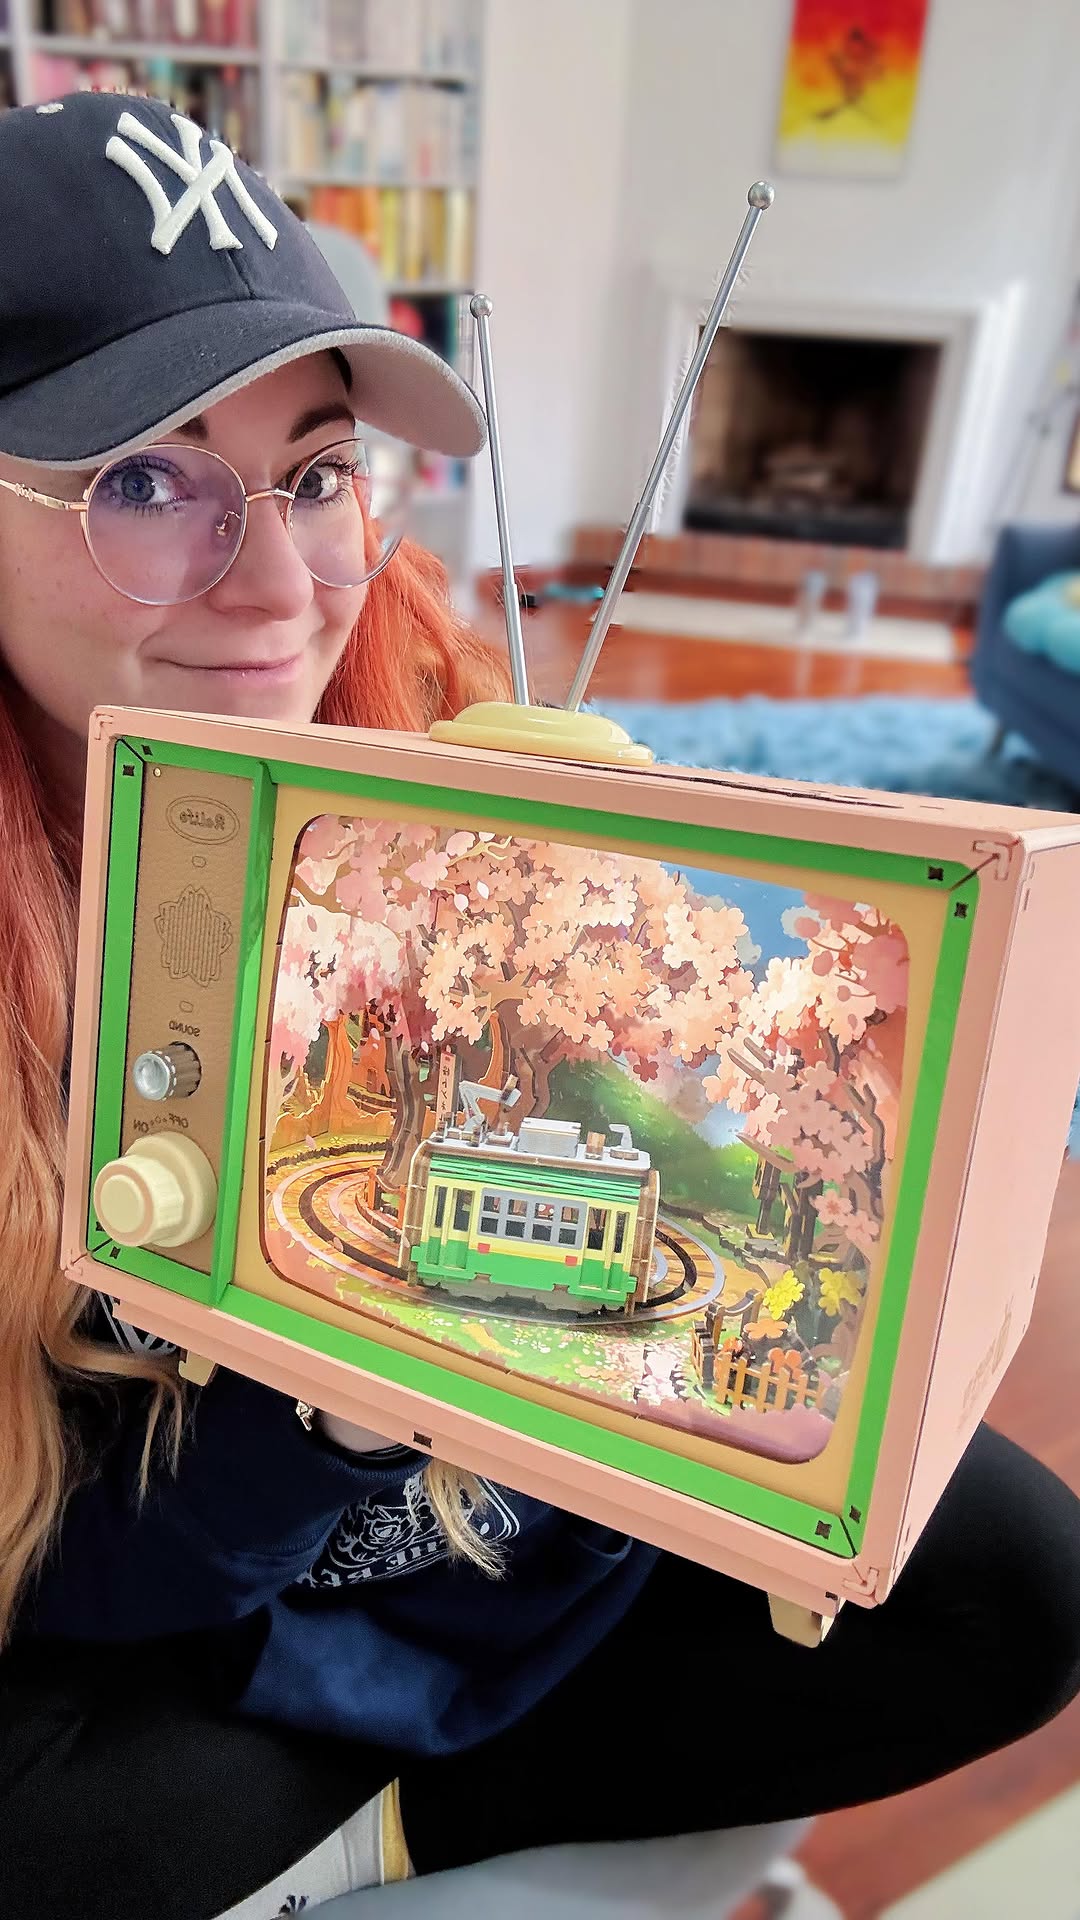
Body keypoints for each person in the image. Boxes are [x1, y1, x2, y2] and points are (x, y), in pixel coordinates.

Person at [0, 91, 1077, 1920]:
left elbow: (715, 1234)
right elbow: (62, 1572)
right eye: (146, 484)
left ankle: (402, 1808)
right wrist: (334, 1388)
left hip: (490, 1502)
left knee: (1019, 1582)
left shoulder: (440, 734)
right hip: (169, 1550)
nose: (279, 590)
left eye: (318, 472)